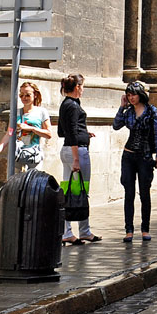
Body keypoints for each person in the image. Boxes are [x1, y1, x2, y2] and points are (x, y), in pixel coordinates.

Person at [112, 81, 157, 241]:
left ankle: (145, 229)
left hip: (144, 156)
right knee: (128, 193)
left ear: (140, 94)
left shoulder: (151, 111)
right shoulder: (127, 112)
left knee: (144, 193)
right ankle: (129, 230)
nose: (131, 97)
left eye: (133, 94)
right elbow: (115, 125)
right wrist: (122, 107)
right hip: (128, 156)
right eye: (128, 95)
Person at [58, 73, 100, 244]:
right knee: (81, 191)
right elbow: (73, 133)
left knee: (68, 192)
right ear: (77, 87)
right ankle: (84, 231)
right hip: (77, 152)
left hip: (66, 150)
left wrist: (84, 133)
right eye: (82, 87)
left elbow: (63, 131)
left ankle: (67, 231)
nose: (83, 90)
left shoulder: (65, 104)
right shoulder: (74, 106)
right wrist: (76, 158)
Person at [0, 81, 51, 171]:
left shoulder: (41, 112)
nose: (24, 98)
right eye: (21, 95)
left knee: (32, 183)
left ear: (35, 95)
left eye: (27, 95)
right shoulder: (15, 113)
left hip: (34, 157)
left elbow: (48, 134)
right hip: (17, 156)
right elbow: (9, 133)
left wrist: (32, 128)